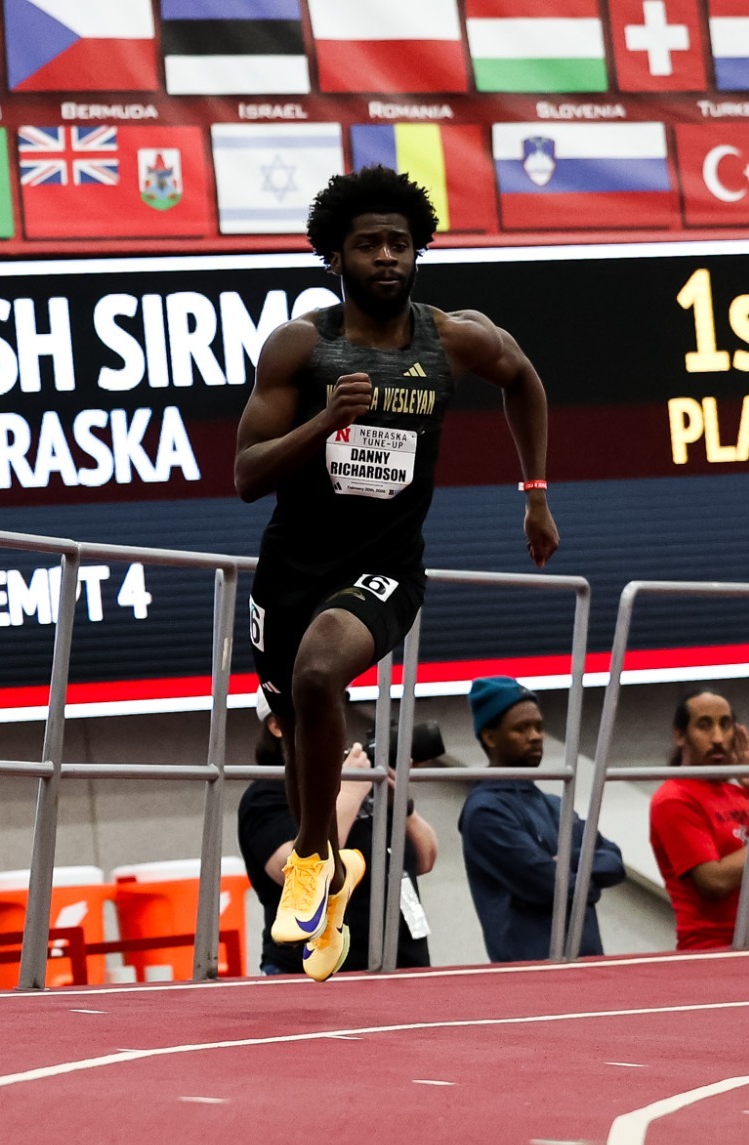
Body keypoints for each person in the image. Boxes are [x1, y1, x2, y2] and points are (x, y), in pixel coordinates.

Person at [234, 164, 558, 982]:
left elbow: (525, 378)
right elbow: (245, 473)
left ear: (418, 253)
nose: (387, 256)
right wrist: (325, 423)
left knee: (318, 674)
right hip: (290, 570)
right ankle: (326, 885)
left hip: (385, 566)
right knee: (299, 717)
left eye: (400, 243)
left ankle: (315, 858)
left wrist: (536, 493)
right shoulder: (300, 347)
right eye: (369, 244)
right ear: (334, 258)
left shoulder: (452, 339)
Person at [236, 700, 438, 978]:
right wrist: (349, 792)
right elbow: (292, 873)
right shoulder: (267, 793)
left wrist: (402, 804)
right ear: (276, 725)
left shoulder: (356, 781)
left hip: (403, 961)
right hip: (316, 971)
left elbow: (425, 859)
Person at [457, 676, 626, 962]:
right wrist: (583, 875)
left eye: (538, 727)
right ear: (489, 737)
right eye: (521, 728)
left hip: (586, 963)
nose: (536, 736)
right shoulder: (485, 812)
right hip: (530, 973)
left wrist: (569, 862)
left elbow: (614, 860)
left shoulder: (554, 803)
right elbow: (552, 885)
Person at [648, 689, 749, 951]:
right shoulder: (674, 798)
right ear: (680, 735)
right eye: (704, 726)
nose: (719, 738)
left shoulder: (741, 792)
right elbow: (714, 881)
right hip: (716, 951)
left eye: (725, 724)